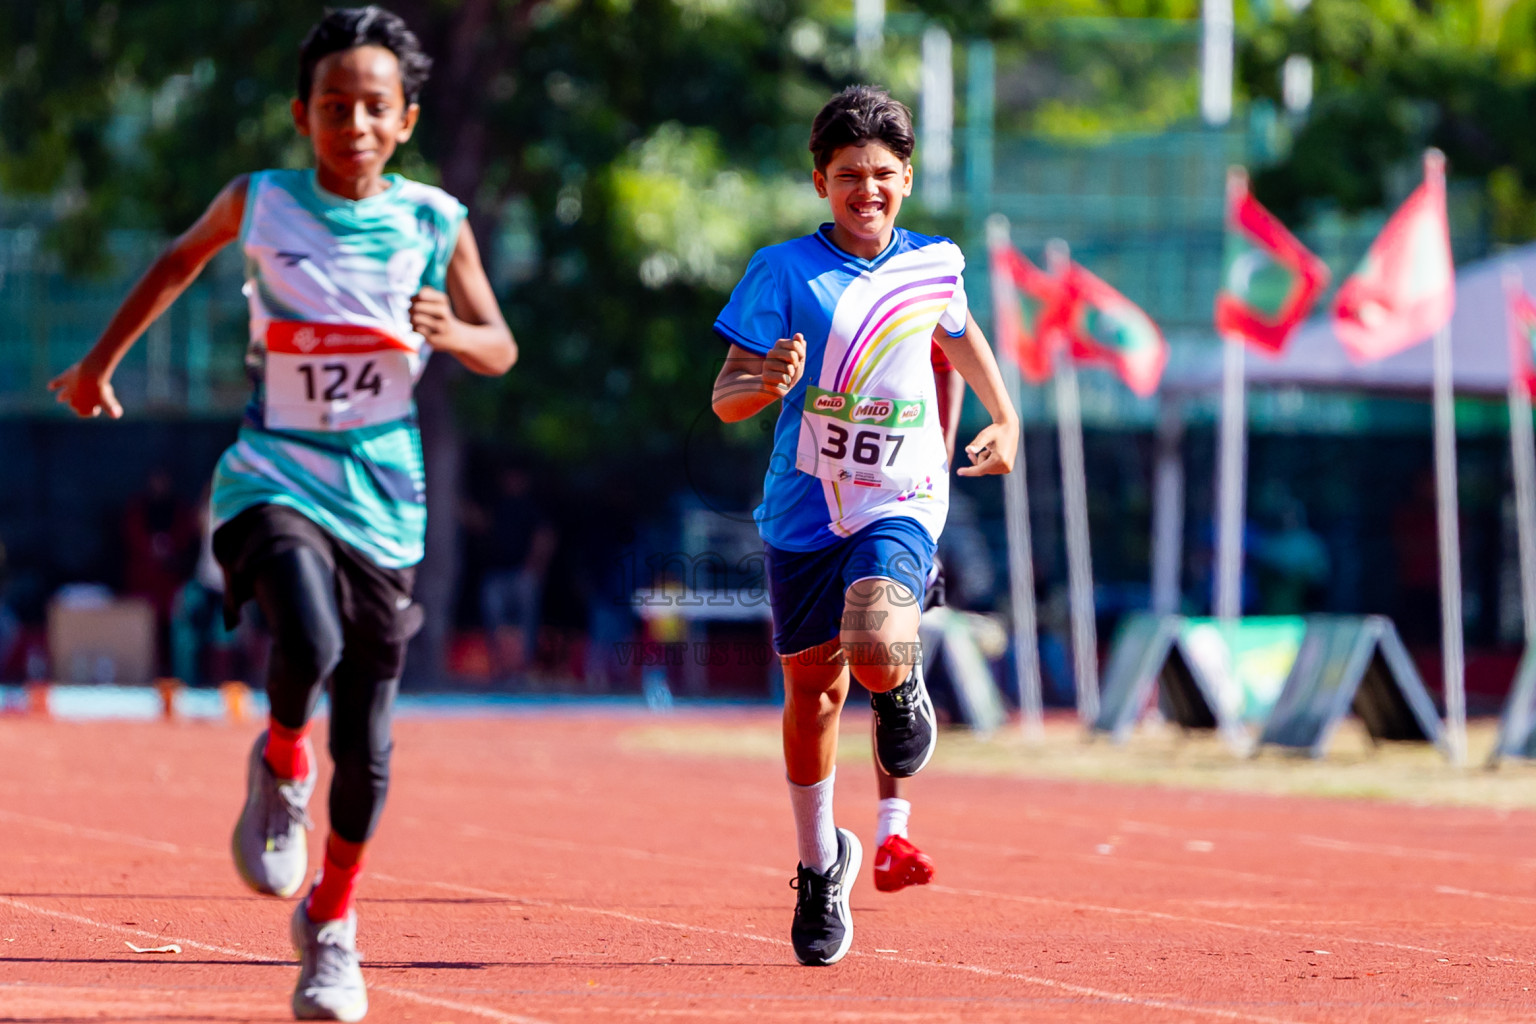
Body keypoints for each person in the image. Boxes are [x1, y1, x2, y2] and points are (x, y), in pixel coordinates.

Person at [49, 8, 516, 1020]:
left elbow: (501, 346)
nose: (353, 123)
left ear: (406, 120)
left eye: (373, 107)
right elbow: (176, 263)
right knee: (303, 631)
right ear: (303, 115)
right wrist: (97, 364)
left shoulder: (436, 220)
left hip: (387, 497)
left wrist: (458, 330)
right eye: (334, 106)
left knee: (375, 742)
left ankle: (333, 924)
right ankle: (282, 760)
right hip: (273, 472)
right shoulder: (260, 201)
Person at [710, 84, 1018, 966]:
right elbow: (727, 399)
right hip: (802, 511)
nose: (867, 190)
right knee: (813, 695)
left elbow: (960, 339)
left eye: (883, 174)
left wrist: (1006, 417)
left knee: (880, 640)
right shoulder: (780, 272)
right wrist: (765, 383)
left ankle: (905, 690)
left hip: (901, 496)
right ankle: (820, 866)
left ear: (907, 178)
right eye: (849, 175)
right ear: (821, 181)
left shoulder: (937, 265)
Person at [869, 342, 961, 894]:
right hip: (820, 506)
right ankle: (821, 851)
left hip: (899, 509)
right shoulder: (803, 282)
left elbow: (950, 358)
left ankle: (890, 834)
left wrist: (940, 464)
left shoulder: (916, 271)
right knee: (822, 679)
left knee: (882, 668)